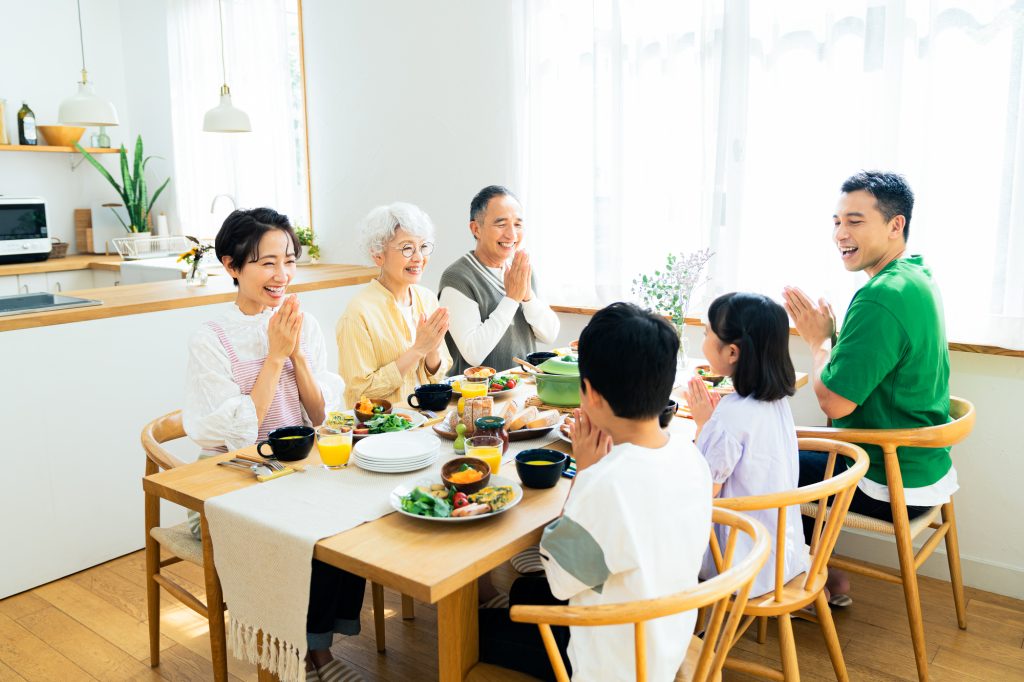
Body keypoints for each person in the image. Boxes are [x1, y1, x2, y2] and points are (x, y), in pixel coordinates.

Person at [479, 302, 712, 681]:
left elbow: (558, 580)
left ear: (591, 393)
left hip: (614, 665)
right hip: (665, 638)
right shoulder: (690, 455)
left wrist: (585, 472)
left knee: (477, 629)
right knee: (522, 590)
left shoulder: (608, 483)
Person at [182, 208, 364, 678]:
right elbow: (239, 436)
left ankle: (317, 640)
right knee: (306, 531)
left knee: (358, 517)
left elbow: (321, 415)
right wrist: (273, 356)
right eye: (266, 263)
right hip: (232, 483)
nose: (281, 275)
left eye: (289, 260)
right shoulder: (213, 338)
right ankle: (307, 653)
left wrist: (297, 354)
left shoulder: (304, 322)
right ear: (231, 266)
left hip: (296, 469)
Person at [783, 171, 953, 605]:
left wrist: (818, 341)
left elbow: (834, 402)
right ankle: (821, 573)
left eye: (855, 221)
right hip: (925, 465)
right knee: (799, 451)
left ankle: (798, 583)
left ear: (895, 225)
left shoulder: (881, 296)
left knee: (770, 461)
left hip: (892, 479)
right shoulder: (915, 276)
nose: (841, 233)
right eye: (837, 221)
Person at [685, 292, 809, 599]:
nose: (703, 340)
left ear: (732, 353)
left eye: (706, 334)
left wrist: (704, 425)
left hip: (738, 563)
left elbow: (703, 490)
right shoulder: (775, 400)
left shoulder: (730, 415)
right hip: (783, 552)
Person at [336, 203, 452, 408]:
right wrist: (417, 350)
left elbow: (438, 376)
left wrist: (432, 350)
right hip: (384, 430)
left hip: (427, 418)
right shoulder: (358, 313)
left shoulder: (427, 299)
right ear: (378, 254)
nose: (418, 258)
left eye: (423, 247)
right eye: (407, 248)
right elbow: (358, 393)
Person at [439, 185, 559, 375]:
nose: (512, 235)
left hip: (523, 388)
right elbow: (473, 353)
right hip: (477, 398)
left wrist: (527, 297)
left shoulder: (521, 269)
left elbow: (550, 334)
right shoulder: (457, 278)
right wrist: (511, 299)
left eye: (518, 225)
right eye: (501, 224)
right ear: (476, 228)